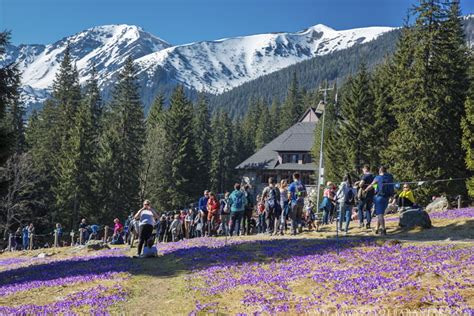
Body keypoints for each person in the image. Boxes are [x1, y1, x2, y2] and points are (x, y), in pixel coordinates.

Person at [364, 166, 395, 236]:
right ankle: (377, 229)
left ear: (380, 171)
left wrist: (365, 190)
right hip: (387, 198)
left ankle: (383, 230)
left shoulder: (378, 177)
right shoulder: (390, 177)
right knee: (380, 213)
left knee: (380, 215)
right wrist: (392, 197)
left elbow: (371, 185)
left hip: (379, 198)